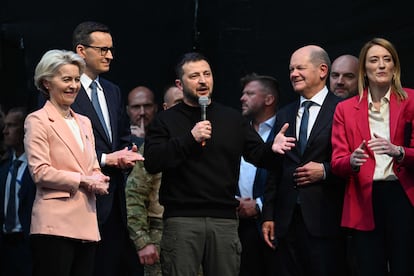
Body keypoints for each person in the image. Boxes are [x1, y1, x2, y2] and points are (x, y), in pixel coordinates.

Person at [143, 52, 281, 276]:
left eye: (207, 74)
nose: (202, 81)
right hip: (182, 220)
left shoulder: (232, 118)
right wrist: (190, 138)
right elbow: (152, 161)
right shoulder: (166, 120)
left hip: (224, 220)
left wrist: (274, 148)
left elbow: (259, 155)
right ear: (180, 84)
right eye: (194, 76)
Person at [331, 37, 414, 276]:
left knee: (405, 266)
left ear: (395, 67)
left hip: (402, 196)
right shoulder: (345, 109)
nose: (381, 65)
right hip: (364, 198)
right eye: (374, 60)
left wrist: (398, 152)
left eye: (387, 60)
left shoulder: (410, 100)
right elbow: (337, 162)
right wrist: (352, 161)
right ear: (364, 69)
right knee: (369, 267)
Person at [262, 45, 347, 276]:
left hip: (327, 219)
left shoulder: (343, 110)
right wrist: (268, 214)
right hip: (287, 222)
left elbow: (355, 162)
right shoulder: (285, 114)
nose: (293, 74)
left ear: (322, 70)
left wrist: (326, 171)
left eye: (300, 67)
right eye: (291, 69)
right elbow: (274, 168)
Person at [24, 49, 110, 276]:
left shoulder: (84, 122)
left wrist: (100, 177)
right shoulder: (37, 120)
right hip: (55, 224)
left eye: (76, 79)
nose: (73, 86)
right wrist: (84, 180)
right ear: (47, 83)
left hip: (87, 221)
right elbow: (40, 172)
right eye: (66, 80)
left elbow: (92, 165)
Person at [70, 21, 144, 276]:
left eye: (110, 49)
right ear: (81, 50)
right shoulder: (65, 90)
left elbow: (120, 134)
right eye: (102, 49)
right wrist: (105, 159)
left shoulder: (112, 90)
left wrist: (127, 151)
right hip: (80, 202)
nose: (110, 55)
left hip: (114, 202)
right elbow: (60, 145)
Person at [126, 85, 183, 276]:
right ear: (166, 108)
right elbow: (134, 194)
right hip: (162, 232)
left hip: (203, 233)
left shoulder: (209, 141)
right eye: (180, 103)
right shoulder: (156, 146)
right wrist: (142, 240)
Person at [237, 73, 279, 276]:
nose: (242, 98)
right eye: (243, 93)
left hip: (271, 223)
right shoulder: (238, 130)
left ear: (269, 99)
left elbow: (284, 177)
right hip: (239, 224)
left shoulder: (284, 128)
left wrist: (260, 204)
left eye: (250, 93)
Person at [0, 107, 35, 276]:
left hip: (28, 246)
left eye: (12, 126)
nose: (5, 131)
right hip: (5, 246)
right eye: (5, 126)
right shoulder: (4, 169)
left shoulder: (38, 170)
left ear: (25, 129)